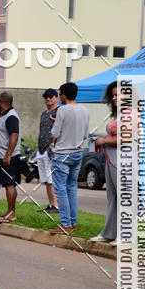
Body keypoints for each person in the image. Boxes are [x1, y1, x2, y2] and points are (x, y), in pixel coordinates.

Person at [47, 82, 89, 234]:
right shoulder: (84, 110)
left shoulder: (62, 110)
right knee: (72, 188)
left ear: (63, 95)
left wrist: (56, 123)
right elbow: (85, 135)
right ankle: (73, 222)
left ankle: (65, 224)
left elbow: (55, 133)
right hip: (78, 152)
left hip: (63, 153)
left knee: (60, 189)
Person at [90, 81, 119, 243]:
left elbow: (126, 138)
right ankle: (109, 232)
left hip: (124, 163)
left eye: (117, 95)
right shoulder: (118, 114)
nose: (114, 98)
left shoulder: (132, 114)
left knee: (124, 199)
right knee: (112, 198)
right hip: (110, 160)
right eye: (112, 95)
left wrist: (104, 141)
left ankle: (125, 235)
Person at [0, 91, 21, 223]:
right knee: (8, 184)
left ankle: (12, 213)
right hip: (3, 156)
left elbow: (14, 135)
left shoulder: (11, 116)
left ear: (2, 101)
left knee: (9, 185)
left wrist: (8, 155)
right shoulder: (5, 115)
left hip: (9, 157)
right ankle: (9, 211)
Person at [35, 88, 59, 215]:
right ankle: (51, 204)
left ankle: (56, 205)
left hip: (52, 150)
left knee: (52, 179)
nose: (48, 99)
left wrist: (54, 145)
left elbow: (59, 129)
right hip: (42, 149)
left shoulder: (59, 111)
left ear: (56, 98)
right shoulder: (44, 114)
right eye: (46, 97)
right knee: (45, 179)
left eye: (51, 96)